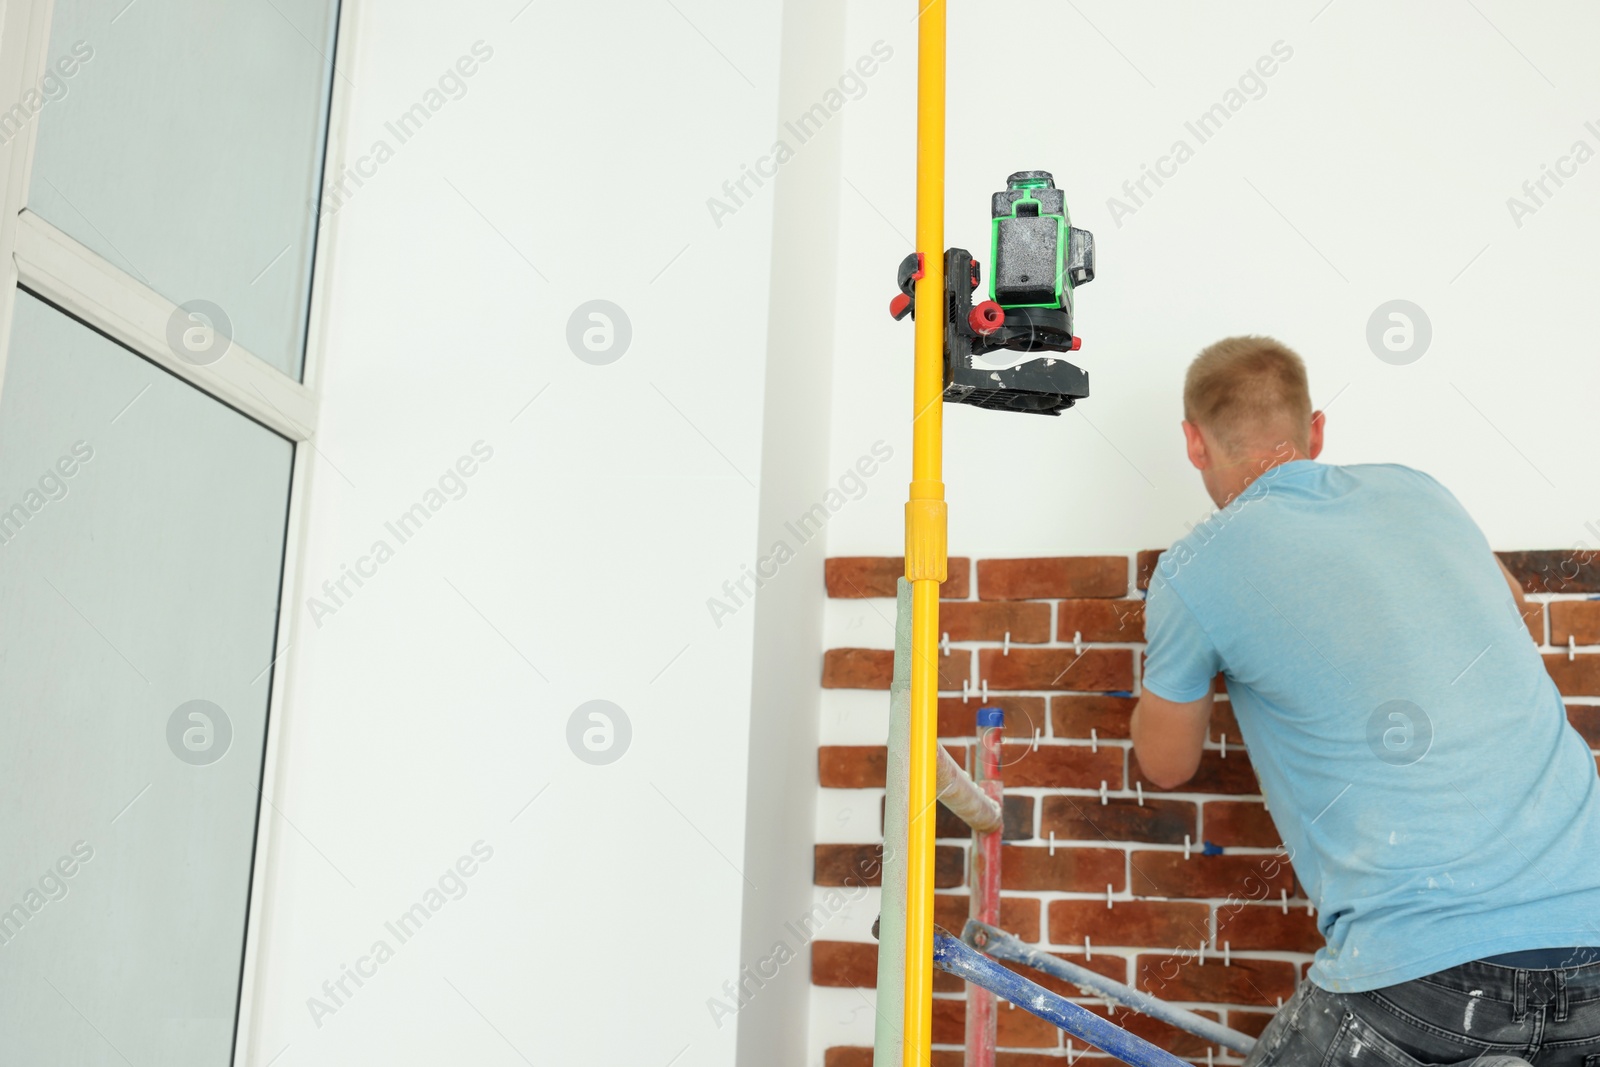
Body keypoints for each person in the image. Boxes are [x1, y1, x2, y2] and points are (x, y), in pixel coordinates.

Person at [1131, 336, 1600, 1067]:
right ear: (1316, 431)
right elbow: (1510, 599)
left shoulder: (1196, 565)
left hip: (1428, 981)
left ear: (1194, 443)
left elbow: (1164, 764)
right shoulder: (1417, 489)